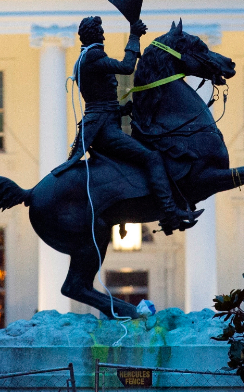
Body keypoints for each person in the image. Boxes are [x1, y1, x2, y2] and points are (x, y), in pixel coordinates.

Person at [69, 15, 203, 234]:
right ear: (94, 35)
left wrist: (123, 109)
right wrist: (134, 36)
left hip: (103, 123)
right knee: (152, 157)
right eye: (100, 32)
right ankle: (170, 212)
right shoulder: (92, 56)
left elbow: (100, 102)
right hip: (104, 131)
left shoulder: (85, 58)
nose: (103, 35)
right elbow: (127, 66)